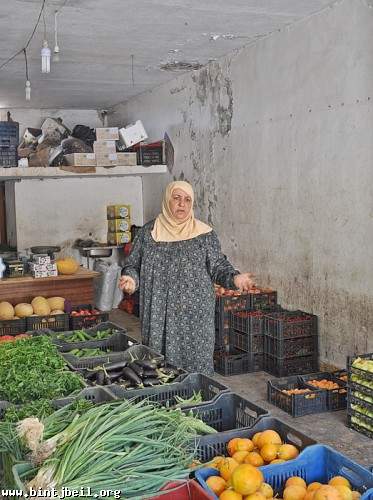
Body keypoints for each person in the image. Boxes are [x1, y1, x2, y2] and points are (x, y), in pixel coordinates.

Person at [119, 181, 254, 375]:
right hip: (158, 315)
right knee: (157, 367)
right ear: (167, 200)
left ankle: (198, 401)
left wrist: (234, 278)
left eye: (187, 200)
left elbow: (218, 266)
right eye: (177, 198)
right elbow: (133, 264)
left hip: (195, 315)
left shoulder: (204, 235)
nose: (182, 204)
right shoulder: (148, 234)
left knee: (196, 366)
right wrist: (131, 279)